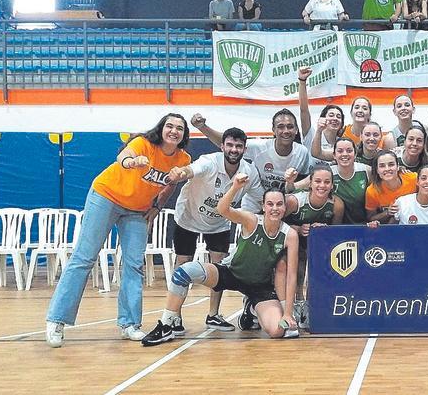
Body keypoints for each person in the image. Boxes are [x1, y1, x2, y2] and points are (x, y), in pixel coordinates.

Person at [45, 114, 191, 347]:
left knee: (134, 264)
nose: (174, 131)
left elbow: (170, 185)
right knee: (84, 257)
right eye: (169, 126)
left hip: (137, 210)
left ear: (184, 135)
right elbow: (124, 155)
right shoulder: (143, 144)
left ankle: (130, 324)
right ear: (161, 129)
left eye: (179, 129)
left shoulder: (183, 159)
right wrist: (129, 162)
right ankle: (56, 320)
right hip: (106, 196)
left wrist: (156, 207)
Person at [140, 173, 300, 346]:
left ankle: (252, 308)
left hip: (260, 286)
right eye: (270, 204)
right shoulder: (252, 221)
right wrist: (235, 187)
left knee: (277, 331)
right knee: (184, 272)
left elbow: (291, 275)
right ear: (263, 206)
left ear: (285, 207)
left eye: (279, 204)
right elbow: (222, 210)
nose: (275, 208)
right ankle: (166, 324)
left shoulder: (289, 235)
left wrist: (287, 313)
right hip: (231, 272)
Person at [165, 127, 262, 335]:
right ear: (222, 146)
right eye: (230, 145)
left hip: (219, 222)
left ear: (244, 149)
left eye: (238, 146)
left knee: (218, 268)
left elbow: (259, 197)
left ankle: (214, 315)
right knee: (183, 265)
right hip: (188, 217)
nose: (234, 149)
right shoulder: (209, 161)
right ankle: (174, 316)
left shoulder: (249, 171)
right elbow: (191, 170)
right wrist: (180, 173)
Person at [192, 69, 312, 210]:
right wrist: (203, 127)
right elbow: (227, 140)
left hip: (280, 206)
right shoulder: (260, 147)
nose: (285, 131)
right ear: (273, 130)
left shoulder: (302, 152)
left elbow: (302, 181)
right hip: (254, 203)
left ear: (296, 130)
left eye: (290, 127)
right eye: (280, 127)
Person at [283, 163, 344, 330]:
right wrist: (297, 228)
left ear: (332, 184)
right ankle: (297, 303)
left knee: (316, 268)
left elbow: (336, 233)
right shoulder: (294, 201)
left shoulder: (337, 204)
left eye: (327, 182)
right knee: (299, 267)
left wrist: (325, 230)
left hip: (317, 244)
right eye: (318, 181)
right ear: (310, 183)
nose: (322, 186)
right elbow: (275, 222)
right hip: (291, 241)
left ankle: (310, 306)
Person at [366, 150, 418, 224]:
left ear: (398, 166)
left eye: (391, 164)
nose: (387, 169)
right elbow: (371, 218)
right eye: (382, 166)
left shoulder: (413, 179)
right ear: (377, 170)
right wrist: (388, 212)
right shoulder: (372, 191)